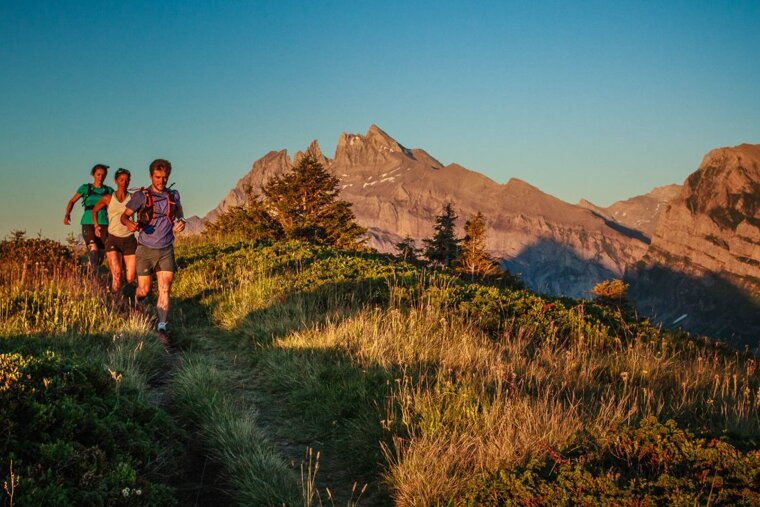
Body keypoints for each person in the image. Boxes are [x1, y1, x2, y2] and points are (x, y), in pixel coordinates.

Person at [121, 159, 185, 344]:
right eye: (158, 177)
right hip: (145, 249)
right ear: (151, 176)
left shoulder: (173, 195)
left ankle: (162, 327)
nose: (161, 181)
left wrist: (181, 222)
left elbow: (179, 213)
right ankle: (136, 302)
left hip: (166, 248)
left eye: (165, 178)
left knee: (165, 288)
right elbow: (124, 216)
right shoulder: (141, 196)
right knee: (145, 289)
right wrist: (130, 224)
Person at [91, 168, 137, 295]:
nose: (124, 182)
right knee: (117, 273)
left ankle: (131, 301)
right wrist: (96, 225)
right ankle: (115, 304)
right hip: (113, 239)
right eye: (121, 180)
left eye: (127, 180)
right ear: (116, 181)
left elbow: (144, 212)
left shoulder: (133, 198)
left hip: (129, 240)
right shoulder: (108, 198)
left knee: (130, 278)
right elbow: (94, 210)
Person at [64, 164, 114, 271]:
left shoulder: (109, 190)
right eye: (98, 174)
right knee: (93, 250)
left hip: (103, 223)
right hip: (88, 222)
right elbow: (72, 201)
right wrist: (67, 214)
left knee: (100, 256)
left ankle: (94, 275)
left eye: (103, 175)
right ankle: (92, 275)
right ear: (93, 175)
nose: (100, 177)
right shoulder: (85, 188)